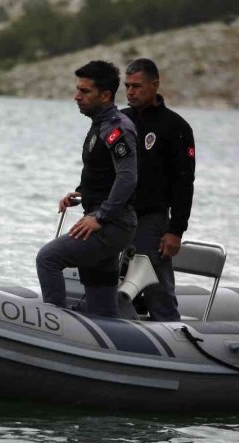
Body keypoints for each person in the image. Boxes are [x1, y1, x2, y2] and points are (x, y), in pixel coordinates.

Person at [36, 60, 138, 317]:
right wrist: (82, 193)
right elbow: (106, 172)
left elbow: (127, 178)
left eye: (84, 91)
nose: (76, 96)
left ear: (105, 95)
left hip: (110, 225)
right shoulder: (100, 124)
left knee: (48, 258)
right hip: (104, 220)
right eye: (77, 89)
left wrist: (100, 217)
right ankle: (112, 345)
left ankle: (53, 326)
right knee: (101, 299)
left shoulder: (116, 128)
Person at [121, 58, 196, 321]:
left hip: (151, 220)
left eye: (137, 86)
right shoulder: (120, 120)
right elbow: (102, 167)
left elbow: (184, 182)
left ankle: (170, 331)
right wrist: (81, 191)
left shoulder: (176, 128)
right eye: (127, 86)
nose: (130, 92)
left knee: (156, 287)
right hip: (117, 216)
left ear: (155, 85)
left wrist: (176, 230)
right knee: (108, 278)